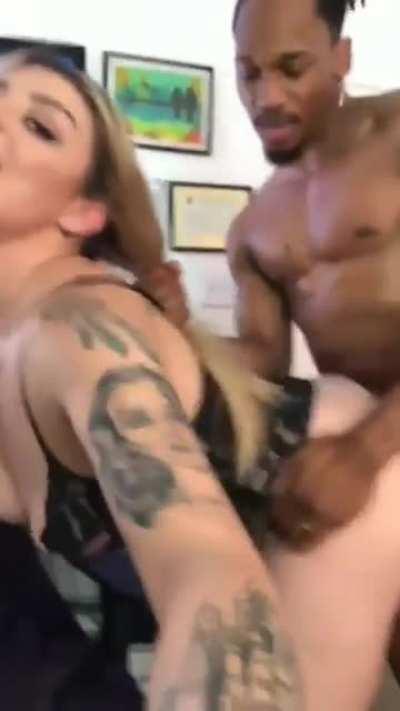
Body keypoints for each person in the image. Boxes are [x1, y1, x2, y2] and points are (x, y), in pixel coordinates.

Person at [0, 47, 303, 709]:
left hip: (344, 521)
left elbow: (210, 580)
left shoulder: (80, 331)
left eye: (40, 126)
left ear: (84, 212)